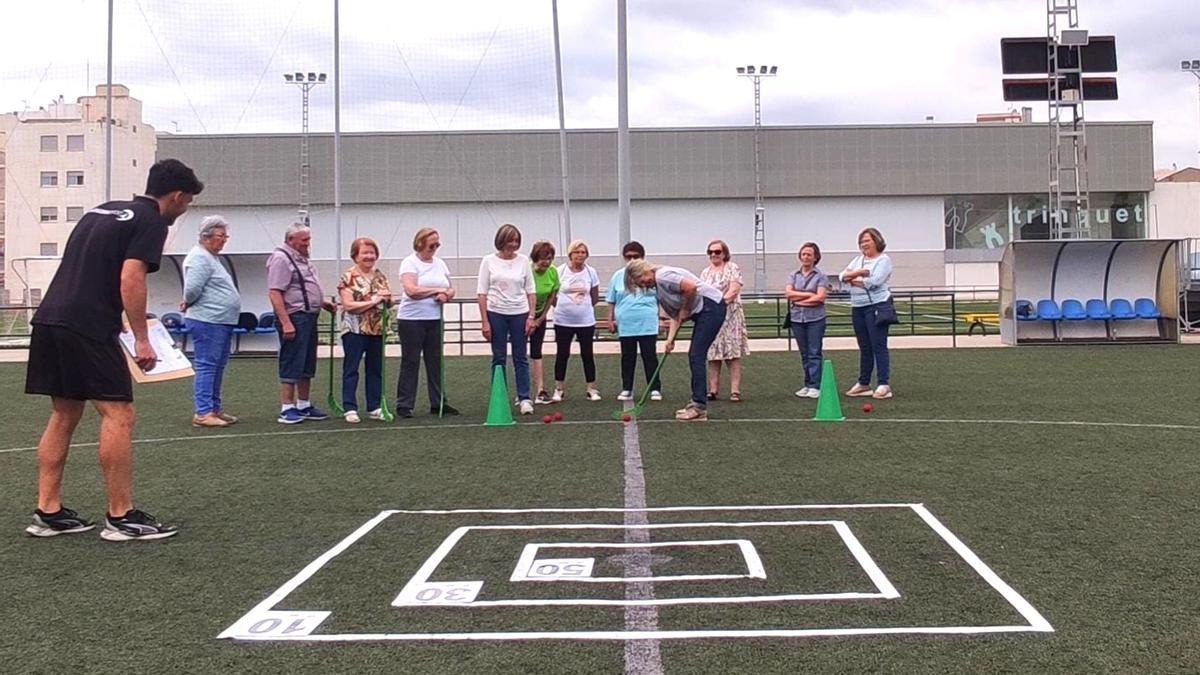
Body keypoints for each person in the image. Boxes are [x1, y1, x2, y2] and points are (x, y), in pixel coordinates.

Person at [23, 158, 203, 541]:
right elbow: (131, 277)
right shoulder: (152, 220)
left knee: (64, 412)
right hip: (87, 325)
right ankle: (121, 517)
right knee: (119, 413)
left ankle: (48, 511)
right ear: (176, 196)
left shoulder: (99, 211)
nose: (183, 210)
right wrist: (141, 338)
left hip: (50, 319)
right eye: (186, 203)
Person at [625, 259, 726, 422]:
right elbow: (677, 316)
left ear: (645, 271)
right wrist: (670, 340)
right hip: (704, 310)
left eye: (641, 280)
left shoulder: (663, 276)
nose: (644, 284)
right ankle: (697, 404)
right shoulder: (658, 289)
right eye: (639, 284)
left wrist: (686, 308)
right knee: (695, 355)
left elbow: (690, 287)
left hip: (712, 306)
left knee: (696, 355)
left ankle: (699, 407)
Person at [267, 222, 337, 424]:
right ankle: (286, 407)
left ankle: (304, 404)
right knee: (292, 360)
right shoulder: (281, 258)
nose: (308, 243)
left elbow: (303, 288)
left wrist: (322, 302)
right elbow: (275, 292)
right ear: (291, 240)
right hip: (294, 317)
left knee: (307, 362)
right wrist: (286, 322)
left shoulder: (302, 259)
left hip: (308, 316)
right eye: (304, 240)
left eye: (309, 239)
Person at [181, 215, 241, 427]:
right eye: (221, 236)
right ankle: (203, 411)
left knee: (217, 365)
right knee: (207, 365)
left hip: (219, 320)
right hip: (208, 320)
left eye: (226, 236)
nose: (224, 239)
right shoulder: (199, 258)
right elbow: (192, 289)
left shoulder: (210, 257)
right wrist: (187, 302)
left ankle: (214, 408)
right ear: (206, 237)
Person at [396, 227, 458, 418]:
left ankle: (438, 401)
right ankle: (404, 404)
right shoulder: (409, 263)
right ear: (421, 242)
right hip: (411, 320)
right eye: (432, 243)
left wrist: (446, 294)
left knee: (435, 361)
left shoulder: (440, 264)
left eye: (437, 243)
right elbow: (411, 290)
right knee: (411, 361)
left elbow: (451, 288)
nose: (435, 247)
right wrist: (436, 291)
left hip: (435, 318)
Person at [477, 223, 536, 415]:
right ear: (501, 241)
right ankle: (499, 395)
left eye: (516, 241)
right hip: (496, 313)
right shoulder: (488, 261)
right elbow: (482, 293)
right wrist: (485, 321)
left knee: (521, 357)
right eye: (510, 240)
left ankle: (524, 397)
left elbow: (530, 290)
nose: (513, 244)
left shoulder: (523, 261)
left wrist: (531, 316)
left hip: (519, 312)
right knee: (499, 357)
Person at [337, 237, 392, 423]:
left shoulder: (380, 276)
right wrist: (374, 301)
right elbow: (348, 305)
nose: (369, 256)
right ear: (355, 256)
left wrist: (387, 299)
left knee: (375, 368)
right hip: (354, 329)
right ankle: (349, 407)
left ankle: (374, 406)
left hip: (376, 329)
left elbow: (388, 301)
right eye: (365, 253)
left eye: (372, 252)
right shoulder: (348, 276)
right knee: (352, 368)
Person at [840, 227, 895, 399]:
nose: (864, 244)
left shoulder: (884, 260)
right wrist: (859, 273)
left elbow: (875, 281)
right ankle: (864, 383)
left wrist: (853, 278)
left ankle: (883, 384)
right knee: (864, 347)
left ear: (877, 241)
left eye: (867, 240)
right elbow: (842, 276)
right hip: (858, 307)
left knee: (878, 345)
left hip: (877, 306)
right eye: (862, 241)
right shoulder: (857, 260)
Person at [606, 241, 662, 402]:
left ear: (642, 257)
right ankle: (627, 388)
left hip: (647, 322)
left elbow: (661, 298)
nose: (631, 260)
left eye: (635, 256)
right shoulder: (618, 276)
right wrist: (610, 319)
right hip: (626, 323)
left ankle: (654, 388)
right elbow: (611, 299)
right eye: (628, 256)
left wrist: (662, 319)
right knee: (627, 357)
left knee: (649, 356)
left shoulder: (651, 274)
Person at [551, 239, 602, 402]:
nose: (580, 255)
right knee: (562, 354)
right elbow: (553, 295)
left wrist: (584, 308)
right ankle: (559, 388)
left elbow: (594, 296)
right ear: (570, 254)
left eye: (583, 252)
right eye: (577, 252)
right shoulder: (560, 271)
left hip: (585, 321)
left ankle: (591, 388)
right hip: (562, 321)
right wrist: (562, 307)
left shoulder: (591, 272)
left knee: (587, 354)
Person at [700, 239, 750, 402]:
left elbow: (734, 289)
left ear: (724, 253)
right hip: (711, 317)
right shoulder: (705, 273)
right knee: (713, 354)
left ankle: (735, 391)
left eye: (717, 252)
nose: (714, 255)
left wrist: (720, 304)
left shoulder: (732, 268)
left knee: (732, 354)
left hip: (730, 316)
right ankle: (713, 390)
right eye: (711, 252)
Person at [784, 242, 830, 399]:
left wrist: (799, 298)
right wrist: (809, 295)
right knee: (804, 353)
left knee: (814, 352)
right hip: (797, 319)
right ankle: (807, 383)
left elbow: (821, 297)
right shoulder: (793, 275)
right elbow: (788, 293)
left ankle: (815, 386)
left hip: (815, 319)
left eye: (809, 254)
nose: (805, 257)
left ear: (815, 257)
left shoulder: (821, 276)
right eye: (803, 254)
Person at [528, 240, 559, 405]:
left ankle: (540, 391)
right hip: (522, 315)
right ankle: (522, 394)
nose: (546, 262)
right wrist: (529, 318)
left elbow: (551, 297)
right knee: (520, 355)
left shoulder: (553, 272)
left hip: (540, 317)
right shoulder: (526, 271)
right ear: (535, 257)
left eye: (549, 258)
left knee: (536, 352)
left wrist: (539, 319)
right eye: (543, 258)